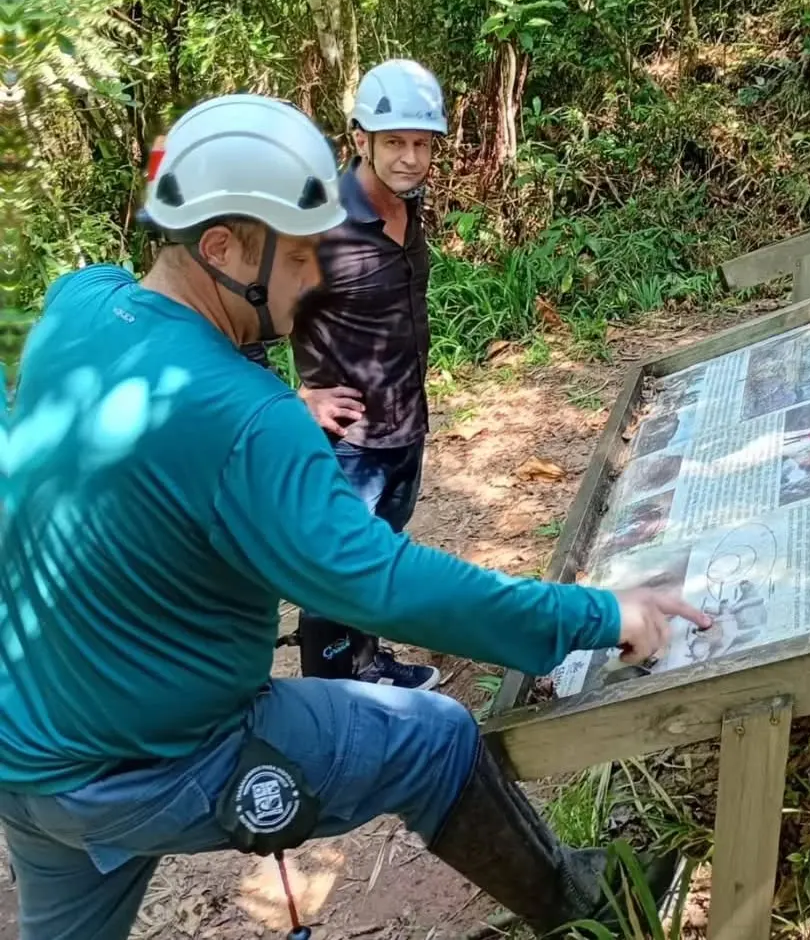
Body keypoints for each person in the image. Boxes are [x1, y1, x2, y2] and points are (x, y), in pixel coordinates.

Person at [0, 93, 709, 940]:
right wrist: (594, 614)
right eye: (301, 255)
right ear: (220, 248)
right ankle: (596, 911)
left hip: (27, 750)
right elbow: (378, 582)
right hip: (159, 762)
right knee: (434, 739)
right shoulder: (249, 418)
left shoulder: (79, 303)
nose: (317, 280)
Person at [289, 58, 447, 690]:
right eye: (395, 142)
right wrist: (296, 398)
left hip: (405, 421)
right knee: (335, 571)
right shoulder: (317, 223)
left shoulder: (410, 206)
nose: (410, 158)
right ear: (361, 139)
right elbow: (239, 318)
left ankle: (368, 667)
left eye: (422, 143)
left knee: (377, 556)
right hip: (348, 443)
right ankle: (332, 702)